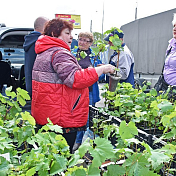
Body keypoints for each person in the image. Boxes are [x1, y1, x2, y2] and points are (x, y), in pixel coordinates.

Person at [31, 18, 115, 153]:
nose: (71, 37)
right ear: (54, 33)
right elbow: (75, 79)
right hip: (60, 118)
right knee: (62, 159)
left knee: (49, 158)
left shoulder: (45, 51)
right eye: (67, 33)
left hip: (48, 115)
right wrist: (102, 69)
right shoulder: (59, 53)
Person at [72, 32, 104, 151]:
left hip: (89, 92)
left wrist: (97, 71)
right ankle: (75, 140)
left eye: (86, 41)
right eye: (80, 39)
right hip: (75, 91)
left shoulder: (94, 57)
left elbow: (100, 76)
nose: (82, 42)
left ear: (91, 43)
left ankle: (81, 143)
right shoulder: (73, 54)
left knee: (85, 118)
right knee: (74, 116)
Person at [23, 16, 49, 98]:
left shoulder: (29, 41)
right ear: (45, 26)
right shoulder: (41, 43)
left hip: (31, 87)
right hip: (39, 89)